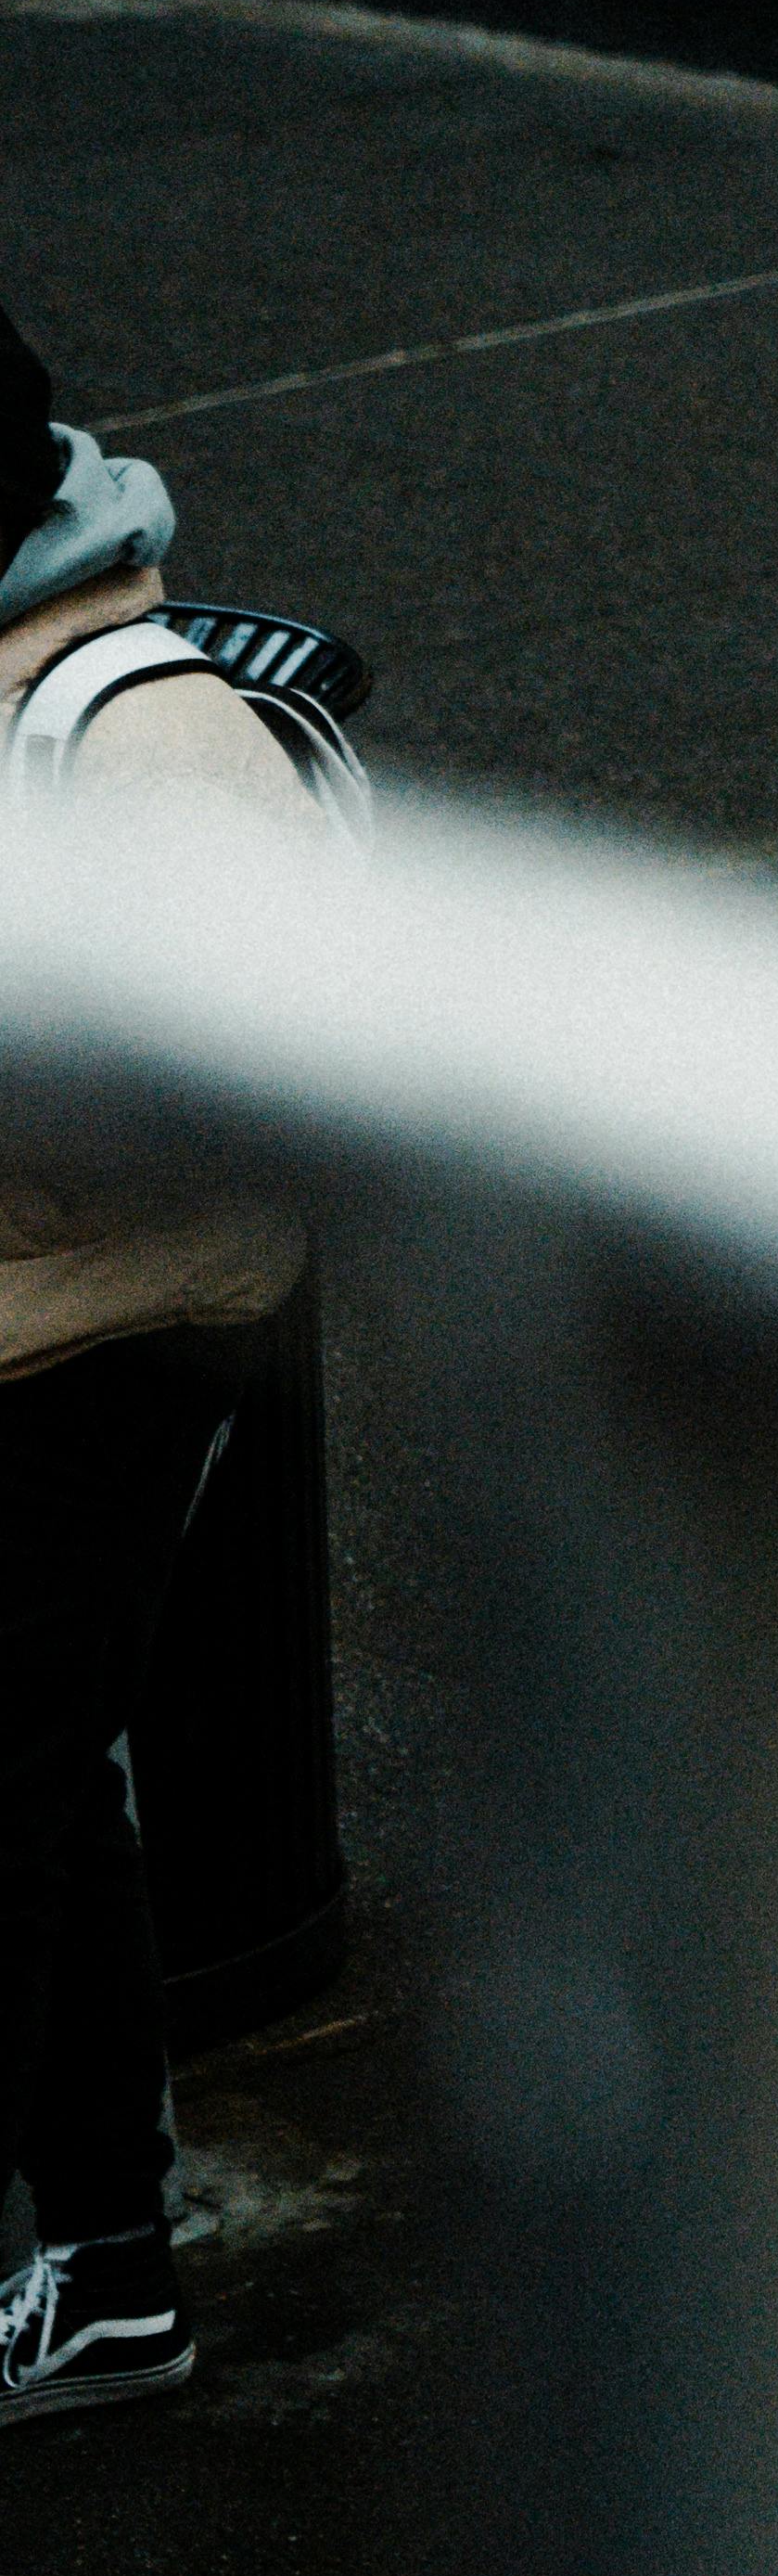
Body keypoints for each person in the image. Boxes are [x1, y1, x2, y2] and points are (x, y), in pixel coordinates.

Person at [0, 301, 319, 2422]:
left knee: (17, 1767)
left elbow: (227, 1086)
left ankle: (111, 2265)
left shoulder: (143, 728)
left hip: (111, 1321)